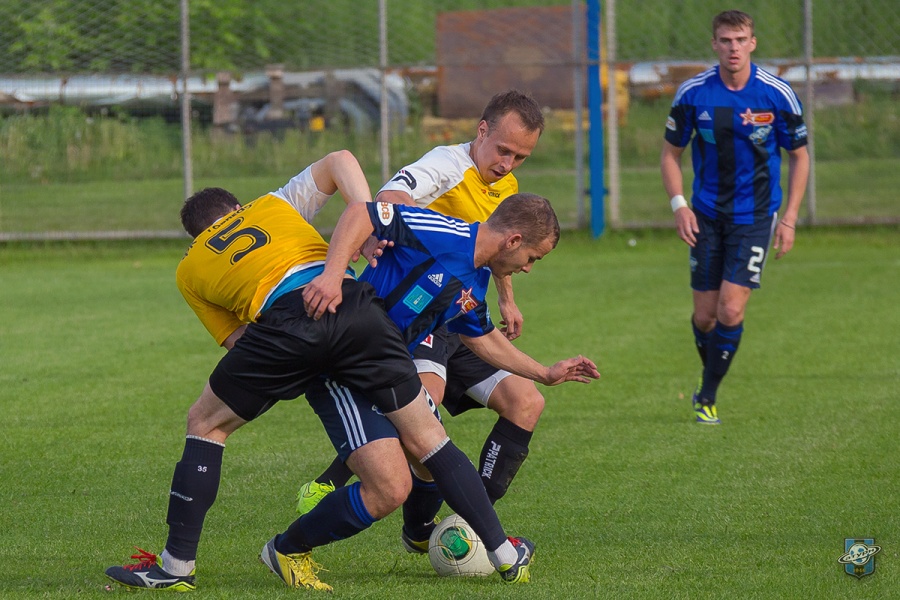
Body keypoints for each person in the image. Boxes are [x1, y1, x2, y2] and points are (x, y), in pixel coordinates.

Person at [104, 151, 596, 592]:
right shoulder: (274, 205)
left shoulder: (189, 270)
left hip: (294, 323)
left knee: (206, 424)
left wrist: (543, 373)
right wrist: (345, 262)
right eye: (532, 258)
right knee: (429, 443)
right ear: (239, 207)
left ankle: (177, 565)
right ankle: (503, 555)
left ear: (196, 236)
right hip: (359, 314)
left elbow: (239, 342)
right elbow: (346, 172)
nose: (528, 267)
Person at [298, 89, 552, 552]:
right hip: (422, 314)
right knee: (423, 420)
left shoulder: (507, 187)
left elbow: (500, 246)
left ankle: (467, 525)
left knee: (526, 403)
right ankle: (339, 481)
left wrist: (507, 298)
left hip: (463, 316)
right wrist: (434, 246)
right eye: (503, 150)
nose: (508, 163)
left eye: (520, 157)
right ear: (482, 131)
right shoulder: (446, 164)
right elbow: (390, 198)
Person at [660, 10, 809, 424]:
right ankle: (709, 378)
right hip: (706, 215)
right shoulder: (693, 94)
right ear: (714, 45)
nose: (733, 48)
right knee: (705, 316)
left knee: (729, 309)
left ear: (753, 43)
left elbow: (799, 157)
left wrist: (790, 218)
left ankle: (707, 395)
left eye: (741, 40)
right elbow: (670, 155)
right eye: (725, 40)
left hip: (755, 216)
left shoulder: (776, 94)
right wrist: (679, 205)